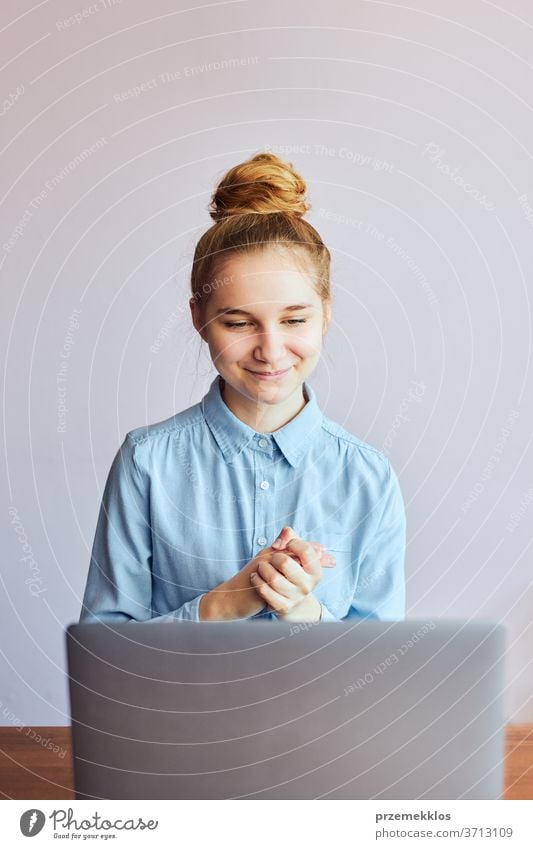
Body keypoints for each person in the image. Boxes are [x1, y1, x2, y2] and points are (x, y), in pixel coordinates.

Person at [79, 152, 406, 625]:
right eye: (238, 322)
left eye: (295, 319)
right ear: (199, 318)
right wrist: (228, 600)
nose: (271, 351)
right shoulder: (147, 462)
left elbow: (382, 677)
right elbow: (105, 662)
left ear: (326, 312)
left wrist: (303, 609)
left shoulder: (368, 477)